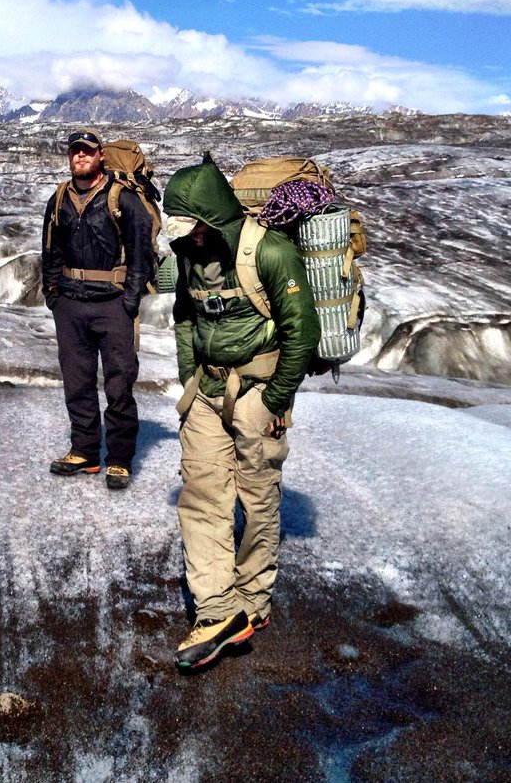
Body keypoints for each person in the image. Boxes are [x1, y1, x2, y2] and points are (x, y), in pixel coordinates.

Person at [161, 154, 320, 669]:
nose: (187, 237)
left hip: (259, 391)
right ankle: (219, 611)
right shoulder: (188, 252)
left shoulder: (269, 252)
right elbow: (185, 314)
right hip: (206, 391)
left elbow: (303, 331)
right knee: (203, 496)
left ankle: (254, 599)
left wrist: (275, 400)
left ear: (213, 217)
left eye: (193, 226)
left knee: (257, 501)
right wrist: (190, 377)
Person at [41, 129, 153, 490]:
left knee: (120, 382)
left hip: (113, 305)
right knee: (78, 382)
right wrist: (53, 294)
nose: (80, 157)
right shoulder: (58, 199)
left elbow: (141, 253)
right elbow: (50, 251)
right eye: (75, 152)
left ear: (101, 155)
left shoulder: (122, 198)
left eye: (87, 151)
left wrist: (131, 299)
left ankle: (118, 459)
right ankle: (85, 451)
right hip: (71, 304)